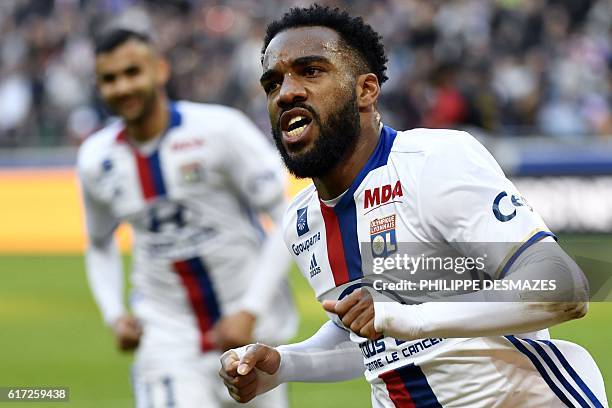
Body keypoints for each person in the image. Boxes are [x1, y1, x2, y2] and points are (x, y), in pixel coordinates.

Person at [219, 5, 608, 408]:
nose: (287, 93)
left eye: (311, 71)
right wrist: (284, 365)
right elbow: (368, 339)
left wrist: (408, 318)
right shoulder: (302, 222)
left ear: (366, 90)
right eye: (272, 83)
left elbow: (562, 286)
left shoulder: (433, 162)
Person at [77, 28, 297, 408]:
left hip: (253, 332)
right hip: (166, 337)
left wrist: (250, 309)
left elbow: (288, 216)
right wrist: (114, 314)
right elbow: (99, 242)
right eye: (110, 79)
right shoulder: (97, 159)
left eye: (132, 72)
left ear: (160, 70)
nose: (122, 86)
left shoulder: (220, 130)